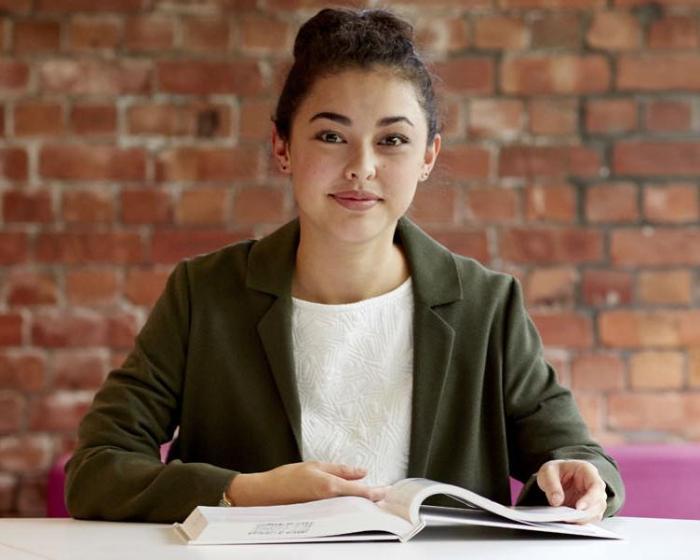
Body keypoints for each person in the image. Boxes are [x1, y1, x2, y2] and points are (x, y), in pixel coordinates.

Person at [65, 7, 624, 524]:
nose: (362, 167)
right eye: (331, 136)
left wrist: (579, 477)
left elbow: (577, 456)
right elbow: (96, 470)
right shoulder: (204, 293)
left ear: (428, 155)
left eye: (393, 140)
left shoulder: (487, 304)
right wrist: (246, 490)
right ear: (282, 147)